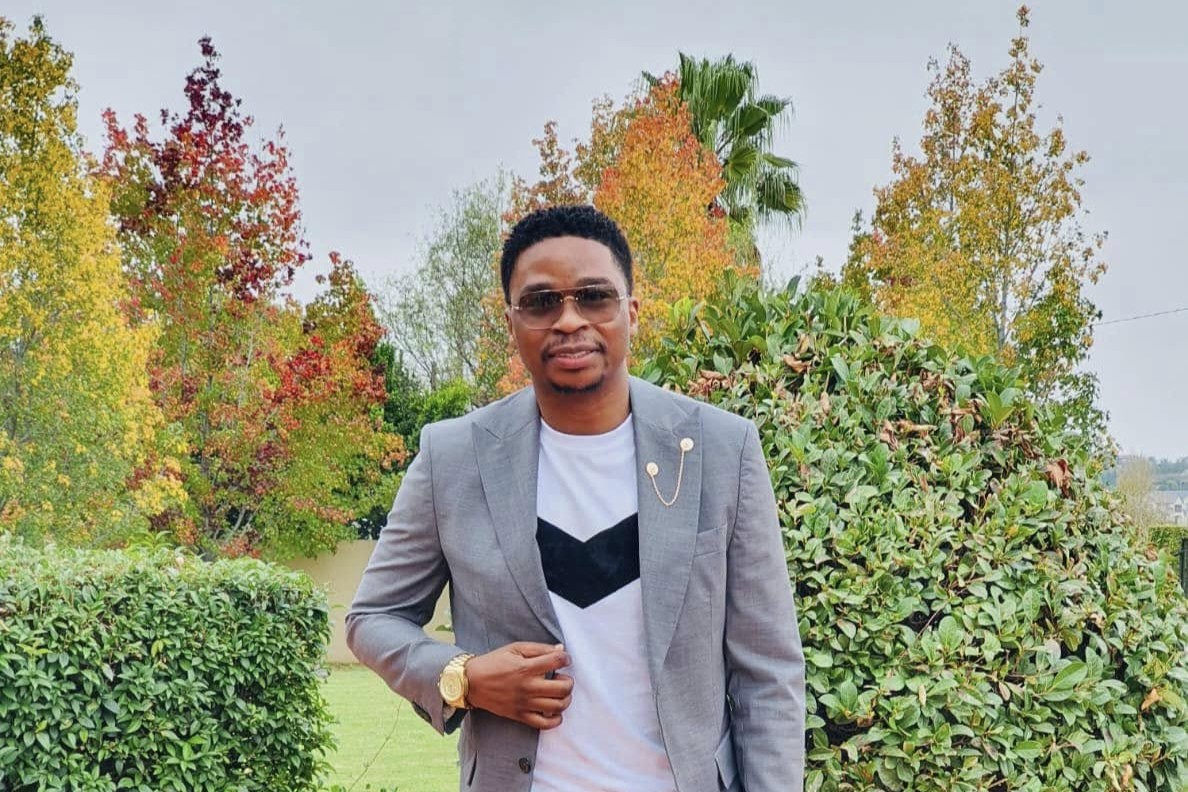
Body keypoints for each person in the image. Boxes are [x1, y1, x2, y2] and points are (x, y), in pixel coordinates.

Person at [346, 204, 805, 792]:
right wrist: (465, 677)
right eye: (541, 302)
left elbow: (768, 672)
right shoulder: (453, 459)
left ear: (631, 311)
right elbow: (373, 618)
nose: (569, 320)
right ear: (511, 322)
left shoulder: (720, 450)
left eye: (594, 297)